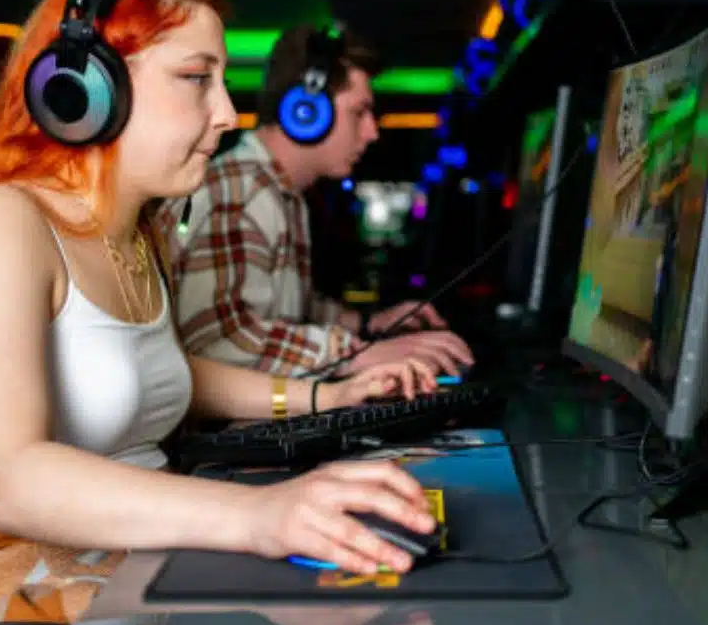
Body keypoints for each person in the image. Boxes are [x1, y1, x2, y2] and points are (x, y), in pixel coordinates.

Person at [0, 0, 438, 625]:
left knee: (370, 597)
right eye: (195, 81)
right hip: (8, 590)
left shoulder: (136, 234)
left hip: (125, 558)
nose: (226, 114)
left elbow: (165, 373)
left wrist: (326, 396)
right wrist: (258, 516)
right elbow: (9, 481)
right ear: (85, 88)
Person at [158, 24, 474, 380]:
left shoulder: (277, 192)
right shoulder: (239, 193)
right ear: (306, 111)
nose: (373, 132)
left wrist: (369, 323)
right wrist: (356, 354)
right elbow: (221, 341)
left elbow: (286, 314)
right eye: (360, 112)